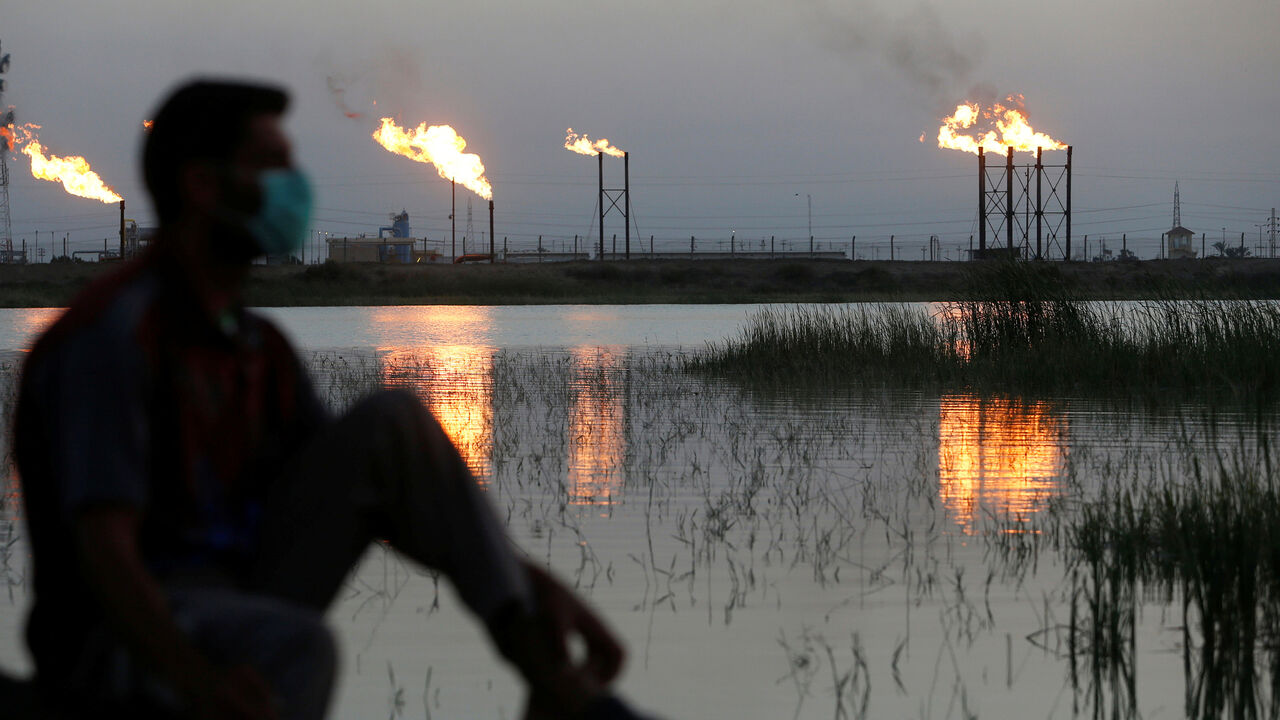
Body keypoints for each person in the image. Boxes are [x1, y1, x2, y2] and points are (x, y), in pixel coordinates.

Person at [13, 79, 635, 719]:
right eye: (273, 167)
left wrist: (527, 582)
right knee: (298, 645)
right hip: (119, 638)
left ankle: (555, 676)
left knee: (392, 425)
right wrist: (199, 681)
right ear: (202, 186)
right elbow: (104, 553)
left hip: (238, 590)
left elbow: (373, 488)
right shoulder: (111, 338)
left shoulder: (258, 346)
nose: (296, 187)